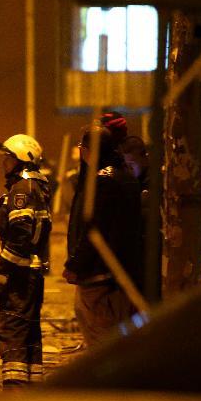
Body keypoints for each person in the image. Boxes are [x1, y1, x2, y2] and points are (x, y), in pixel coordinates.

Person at [64, 125, 143, 347]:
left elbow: (93, 230)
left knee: (100, 339)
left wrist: (75, 265)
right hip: (123, 276)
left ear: (89, 150)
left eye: (82, 148)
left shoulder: (102, 182)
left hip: (99, 278)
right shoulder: (126, 177)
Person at [0, 134, 52, 386]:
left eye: (8, 158)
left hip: (19, 274)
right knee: (29, 333)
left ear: (22, 160)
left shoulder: (22, 190)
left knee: (12, 330)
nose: (4, 163)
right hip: (31, 273)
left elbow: (20, 234)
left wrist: (2, 269)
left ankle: (15, 392)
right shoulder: (37, 186)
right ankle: (31, 390)